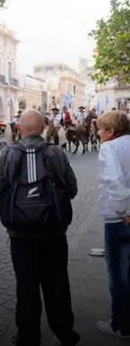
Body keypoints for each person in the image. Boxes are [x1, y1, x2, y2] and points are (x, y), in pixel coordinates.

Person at [0, 110, 79, 346]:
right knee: (57, 282)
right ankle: (65, 333)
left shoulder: (8, 154)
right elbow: (72, 189)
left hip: (20, 234)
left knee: (26, 285)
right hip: (54, 231)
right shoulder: (56, 152)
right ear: (43, 128)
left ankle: (28, 336)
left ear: (19, 127)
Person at [96, 111, 130, 338]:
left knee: (118, 274)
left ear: (110, 131)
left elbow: (114, 180)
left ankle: (121, 325)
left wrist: (124, 211)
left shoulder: (109, 148)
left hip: (119, 218)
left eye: (101, 128)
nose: (98, 133)